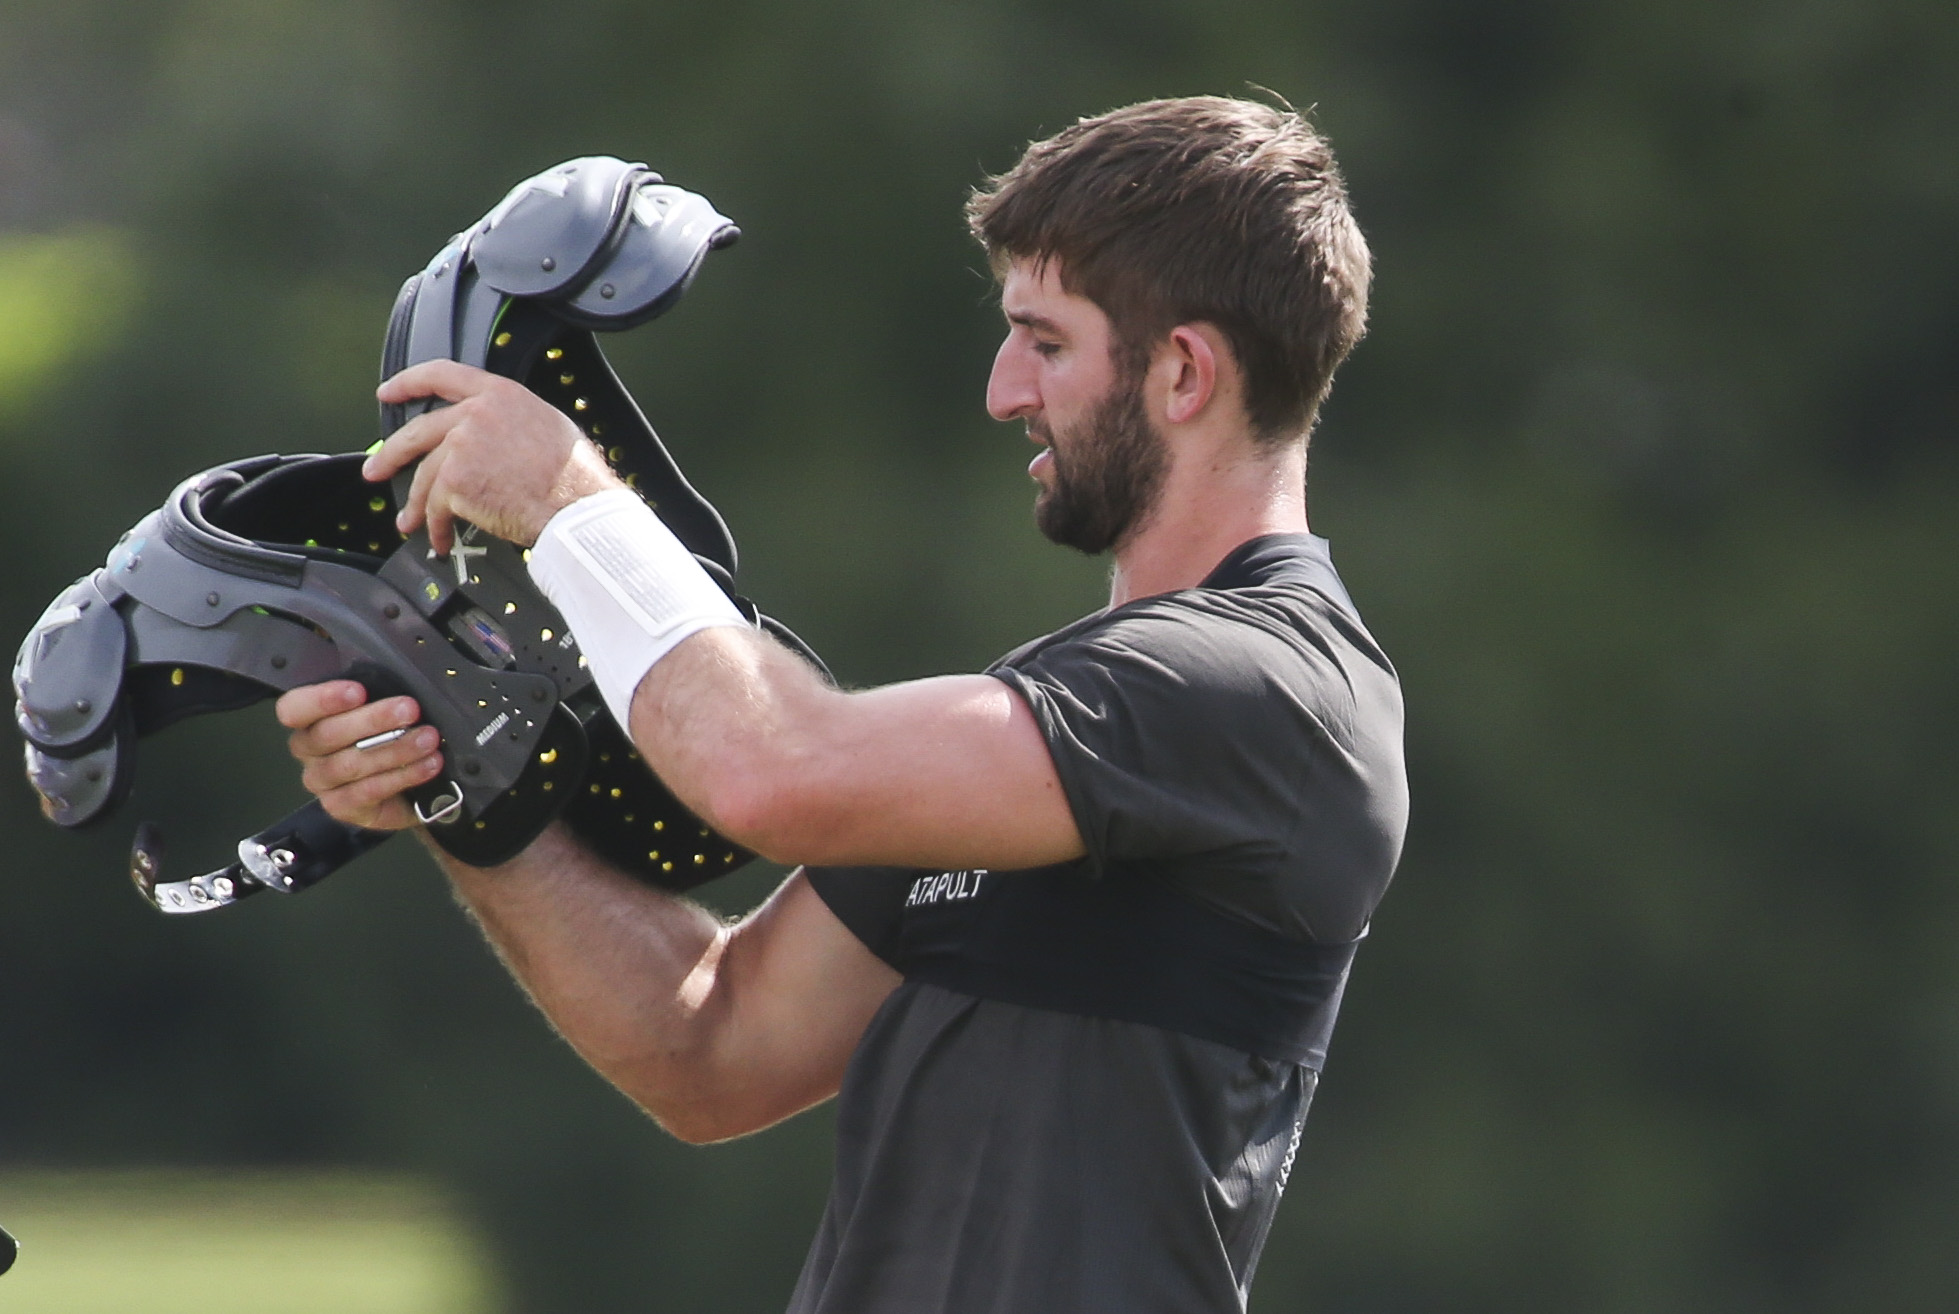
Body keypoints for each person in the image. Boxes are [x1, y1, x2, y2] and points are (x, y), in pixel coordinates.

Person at [277, 95, 1407, 1313]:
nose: (1001, 389)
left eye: (1047, 341)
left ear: (1184, 371)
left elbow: (772, 769)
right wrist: (461, 770)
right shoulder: (1089, 705)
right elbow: (707, 1043)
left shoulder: (1265, 688)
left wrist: (569, 499)